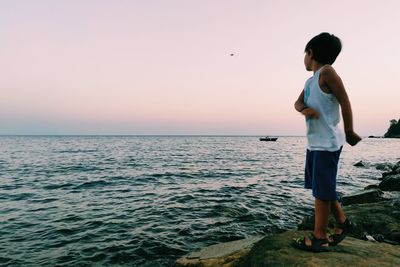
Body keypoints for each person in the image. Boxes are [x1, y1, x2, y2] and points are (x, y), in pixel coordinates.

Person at [293, 32, 362, 252]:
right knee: (321, 186)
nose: (304, 58)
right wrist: (305, 109)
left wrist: (350, 131)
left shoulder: (327, 72)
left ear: (311, 52)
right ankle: (343, 223)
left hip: (328, 143)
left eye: (305, 53)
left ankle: (319, 237)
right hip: (314, 143)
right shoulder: (309, 81)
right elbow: (296, 102)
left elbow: (345, 100)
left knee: (321, 192)